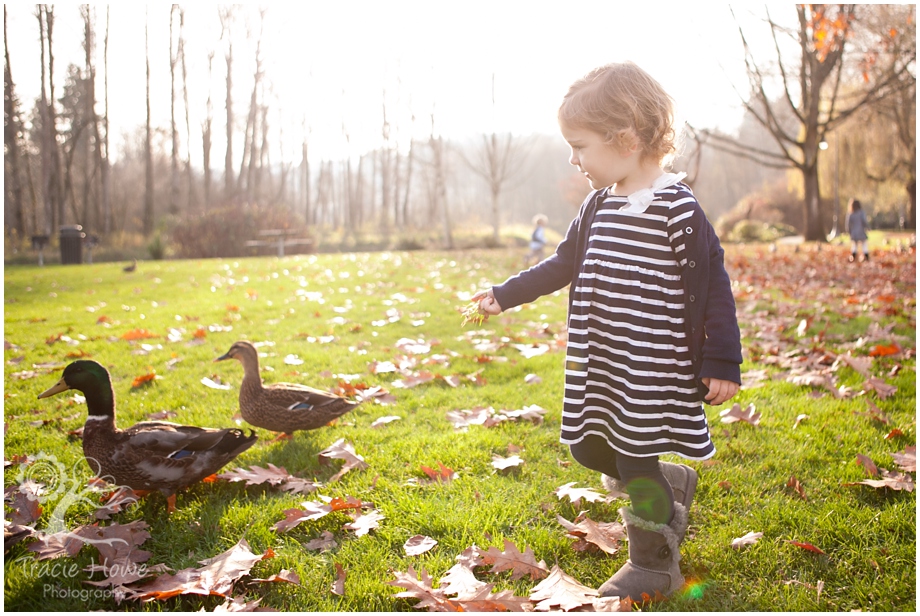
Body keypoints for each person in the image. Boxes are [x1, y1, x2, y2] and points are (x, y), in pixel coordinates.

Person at [472, 62, 742, 600]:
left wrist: (721, 361)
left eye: (580, 146)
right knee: (588, 448)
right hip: (603, 362)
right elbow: (560, 264)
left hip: (650, 368)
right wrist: (505, 294)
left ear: (625, 138)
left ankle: (653, 562)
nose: (573, 158)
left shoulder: (676, 208)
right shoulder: (597, 205)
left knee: (635, 459)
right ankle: (673, 485)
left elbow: (714, 287)